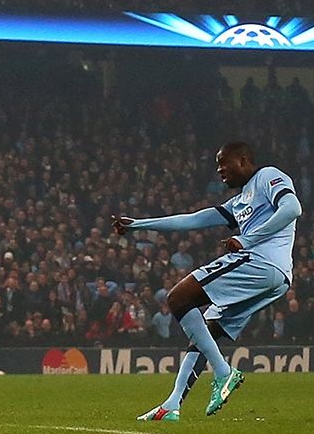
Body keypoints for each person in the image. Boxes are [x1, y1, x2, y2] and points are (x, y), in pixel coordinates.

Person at [116, 141, 301, 419]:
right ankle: (172, 404)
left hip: (260, 262)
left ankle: (224, 372)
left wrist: (247, 238)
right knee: (206, 333)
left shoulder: (267, 176)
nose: (219, 170)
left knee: (179, 298)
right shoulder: (238, 202)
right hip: (276, 277)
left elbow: (292, 208)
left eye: (223, 163)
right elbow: (191, 220)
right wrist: (139, 225)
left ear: (242, 160)